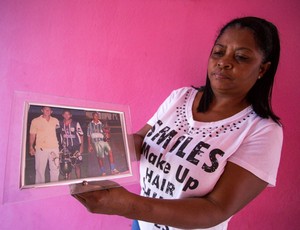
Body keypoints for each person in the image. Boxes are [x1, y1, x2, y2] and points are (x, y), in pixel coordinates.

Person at [72, 16, 283, 230]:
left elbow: (215, 209)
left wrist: (125, 205)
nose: (224, 62)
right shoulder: (181, 97)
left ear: (263, 69)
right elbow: (142, 141)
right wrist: (93, 151)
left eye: (241, 57)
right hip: (142, 225)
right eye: (218, 52)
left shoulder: (262, 131)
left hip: (136, 210)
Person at [29, 106, 60, 184]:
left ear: (51, 111)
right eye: (45, 109)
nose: (47, 110)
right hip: (41, 148)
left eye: (49, 109)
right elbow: (32, 134)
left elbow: (59, 132)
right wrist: (30, 147)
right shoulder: (35, 121)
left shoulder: (55, 120)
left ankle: (54, 187)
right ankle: (40, 188)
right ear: (42, 110)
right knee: (40, 170)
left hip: (54, 148)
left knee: (55, 169)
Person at [56, 109, 84, 179]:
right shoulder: (60, 124)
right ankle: (68, 182)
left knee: (77, 165)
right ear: (62, 115)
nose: (66, 115)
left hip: (75, 147)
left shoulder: (75, 123)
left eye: (68, 114)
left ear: (71, 115)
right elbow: (56, 134)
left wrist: (81, 146)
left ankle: (79, 181)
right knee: (67, 165)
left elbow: (81, 135)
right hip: (65, 148)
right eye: (65, 114)